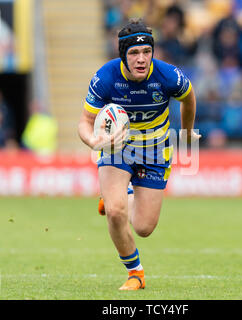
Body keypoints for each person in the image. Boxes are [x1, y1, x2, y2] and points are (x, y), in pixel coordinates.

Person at [78, 18, 200, 290]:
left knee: (144, 227)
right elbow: (84, 122)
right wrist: (94, 142)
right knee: (115, 212)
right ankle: (136, 273)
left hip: (155, 151)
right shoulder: (106, 77)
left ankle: (123, 193)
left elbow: (189, 98)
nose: (141, 59)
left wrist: (187, 132)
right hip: (117, 148)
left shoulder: (168, 75)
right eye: (134, 53)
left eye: (146, 52)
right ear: (123, 55)